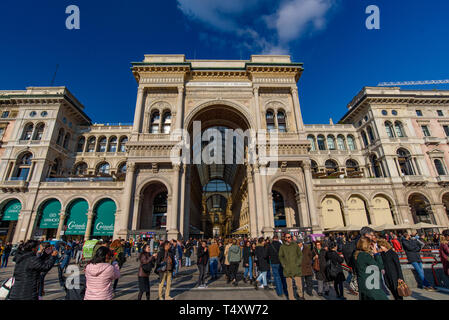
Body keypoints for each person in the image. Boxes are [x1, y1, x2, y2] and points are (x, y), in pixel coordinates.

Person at [278, 234, 303, 300]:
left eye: (289, 237)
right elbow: (280, 256)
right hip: (287, 268)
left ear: (291, 238)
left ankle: (300, 295)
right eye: (286, 237)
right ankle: (291, 298)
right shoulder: (282, 247)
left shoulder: (295, 245)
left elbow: (300, 255)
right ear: (285, 238)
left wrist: (298, 263)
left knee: (299, 284)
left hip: (296, 267)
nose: (288, 239)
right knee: (289, 285)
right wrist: (283, 264)